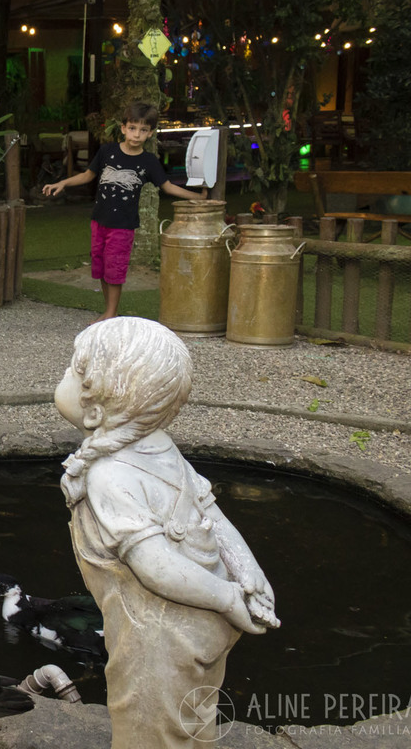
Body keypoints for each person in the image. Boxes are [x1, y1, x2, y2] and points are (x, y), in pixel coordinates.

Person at [54, 317, 279, 748]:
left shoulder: (109, 476)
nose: (64, 375)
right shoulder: (160, 447)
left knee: (148, 728)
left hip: (156, 639)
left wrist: (231, 596)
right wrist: (247, 572)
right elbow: (213, 517)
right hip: (201, 624)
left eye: (74, 370)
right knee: (192, 720)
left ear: (98, 405)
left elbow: (155, 566)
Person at [42, 102, 206, 321]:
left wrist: (199, 197)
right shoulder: (107, 151)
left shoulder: (148, 161)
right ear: (123, 128)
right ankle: (109, 310)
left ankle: (110, 313)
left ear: (150, 133)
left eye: (143, 130)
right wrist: (63, 183)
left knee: (115, 268)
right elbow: (88, 175)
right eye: (132, 128)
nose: (136, 135)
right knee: (101, 266)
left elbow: (168, 186)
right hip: (99, 221)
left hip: (123, 226)